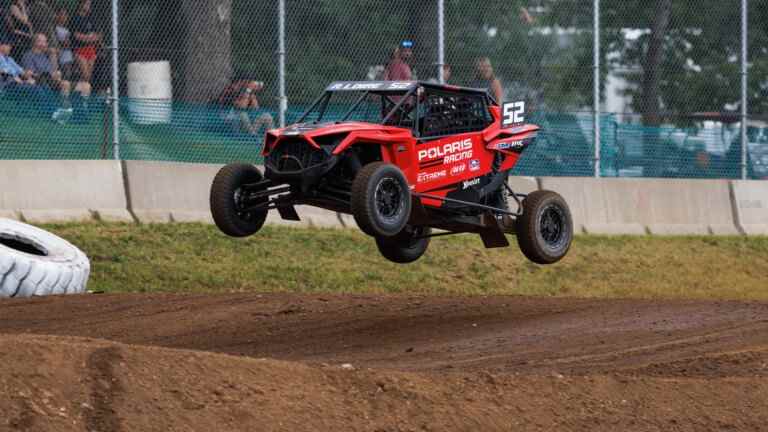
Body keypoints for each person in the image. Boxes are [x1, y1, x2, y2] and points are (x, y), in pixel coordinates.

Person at [22, 33, 91, 103]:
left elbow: (54, 70)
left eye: (45, 42)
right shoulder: (28, 56)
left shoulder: (45, 55)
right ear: (35, 42)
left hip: (55, 82)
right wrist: (50, 75)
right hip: (43, 82)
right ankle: (65, 108)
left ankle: (83, 109)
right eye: (42, 41)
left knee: (86, 86)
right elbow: (31, 74)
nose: (45, 44)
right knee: (65, 84)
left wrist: (53, 56)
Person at [71, 0, 100, 83]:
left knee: (88, 76)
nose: (88, 6)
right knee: (85, 75)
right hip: (79, 49)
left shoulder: (90, 18)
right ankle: (83, 92)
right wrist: (89, 37)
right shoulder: (75, 18)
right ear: (81, 4)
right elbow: (77, 36)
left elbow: (97, 35)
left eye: (89, 4)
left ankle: (83, 91)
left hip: (90, 49)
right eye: (87, 4)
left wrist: (87, 37)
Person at [53, 6, 73, 81]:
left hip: (68, 55)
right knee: (63, 75)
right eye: (62, 14)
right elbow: (62, 42)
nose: (64, 17)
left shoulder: (67, 28)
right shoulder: (55, 28)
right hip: (61, 55)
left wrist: (67, 42)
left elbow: (68, 42)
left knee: (68, 75)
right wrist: (66, 42)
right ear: (57, 15)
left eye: (65, 15)